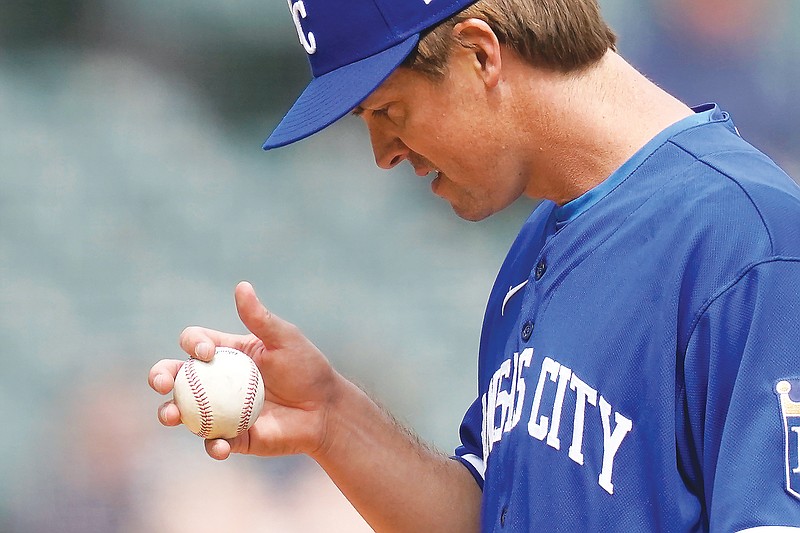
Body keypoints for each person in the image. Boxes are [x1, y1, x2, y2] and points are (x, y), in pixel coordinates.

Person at [148, 0, 800, 530]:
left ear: (482, 53)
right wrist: (330, 415)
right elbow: (487, 517)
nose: (382, 153)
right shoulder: (535, 250)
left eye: (387, 111)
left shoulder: (750, 242)